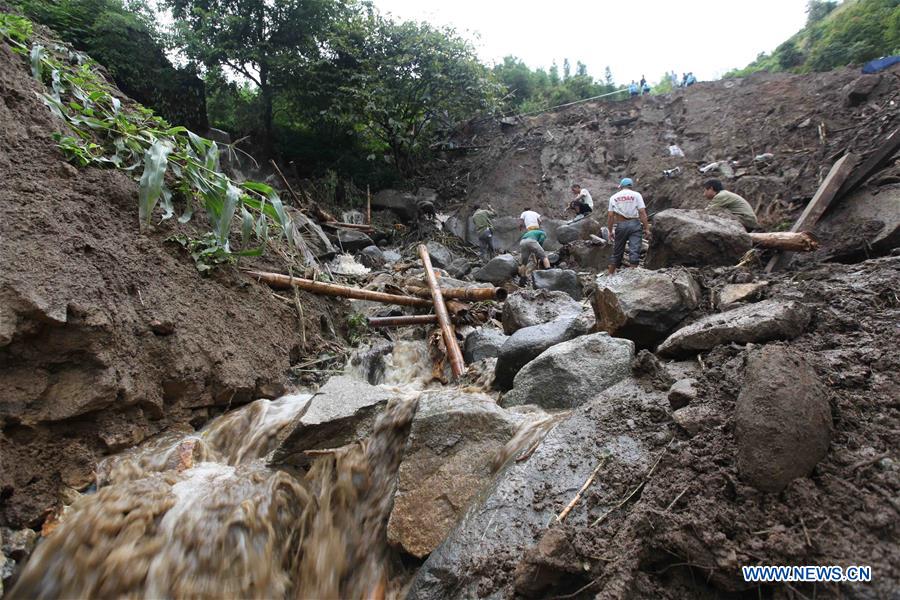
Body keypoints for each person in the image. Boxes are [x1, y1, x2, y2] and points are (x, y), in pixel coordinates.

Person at [607, 177, 650, 275]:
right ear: (631, 186)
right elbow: (642, 212)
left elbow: (610, 216)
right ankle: (632, 276)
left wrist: (610, 231)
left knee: (617, 252)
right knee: (634, 251)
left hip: (621, 224)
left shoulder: (614, 197)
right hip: (635, 224)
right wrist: (647, 228)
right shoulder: (637, 195)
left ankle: (609, 276)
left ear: (621, 187)